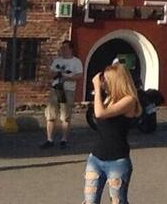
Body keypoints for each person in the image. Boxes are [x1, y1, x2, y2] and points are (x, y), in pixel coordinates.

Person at [83, 62, 141, 204]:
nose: (104, 83)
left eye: (108, 80)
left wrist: (97, 88)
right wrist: (99, 91)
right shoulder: (108, 99)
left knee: (117, 201)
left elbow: (100, 113)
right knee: (89, 201)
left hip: (117, 161)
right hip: (96, 158)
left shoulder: (129, 100)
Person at [44, 42, 84, 149]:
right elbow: (50, 73)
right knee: (51, 114)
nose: (62, 50)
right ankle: (49, 139)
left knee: (65, 116)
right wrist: (54, 73)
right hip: (56, 88)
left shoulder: (76, 62)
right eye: (61, 48)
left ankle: (64, 139)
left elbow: (79, 75)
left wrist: (67, 77)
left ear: (70, 49)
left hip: (68, 90)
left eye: (65, 48)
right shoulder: (57, 61)